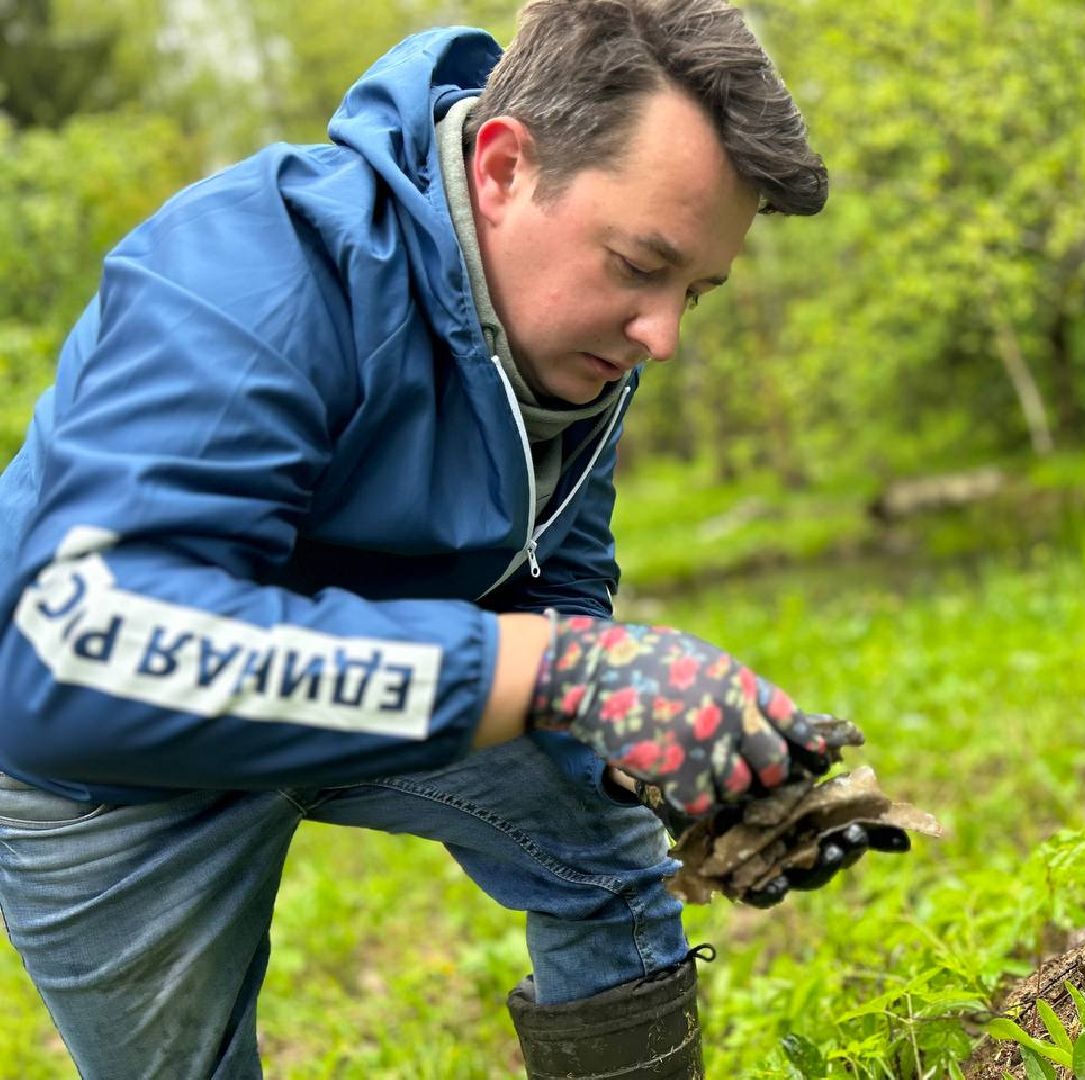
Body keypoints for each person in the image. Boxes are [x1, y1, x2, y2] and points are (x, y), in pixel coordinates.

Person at [0, 1, 895, 1076]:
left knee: (597, 826)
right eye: (638, 265)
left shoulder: (568, 341)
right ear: (506, 168)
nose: (661, 332)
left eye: (694, 293)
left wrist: (661, 743)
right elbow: (78, 654)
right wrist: (567, 671)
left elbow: (553, 583)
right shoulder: (249, 278)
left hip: (386, 683)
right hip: (112, 757)